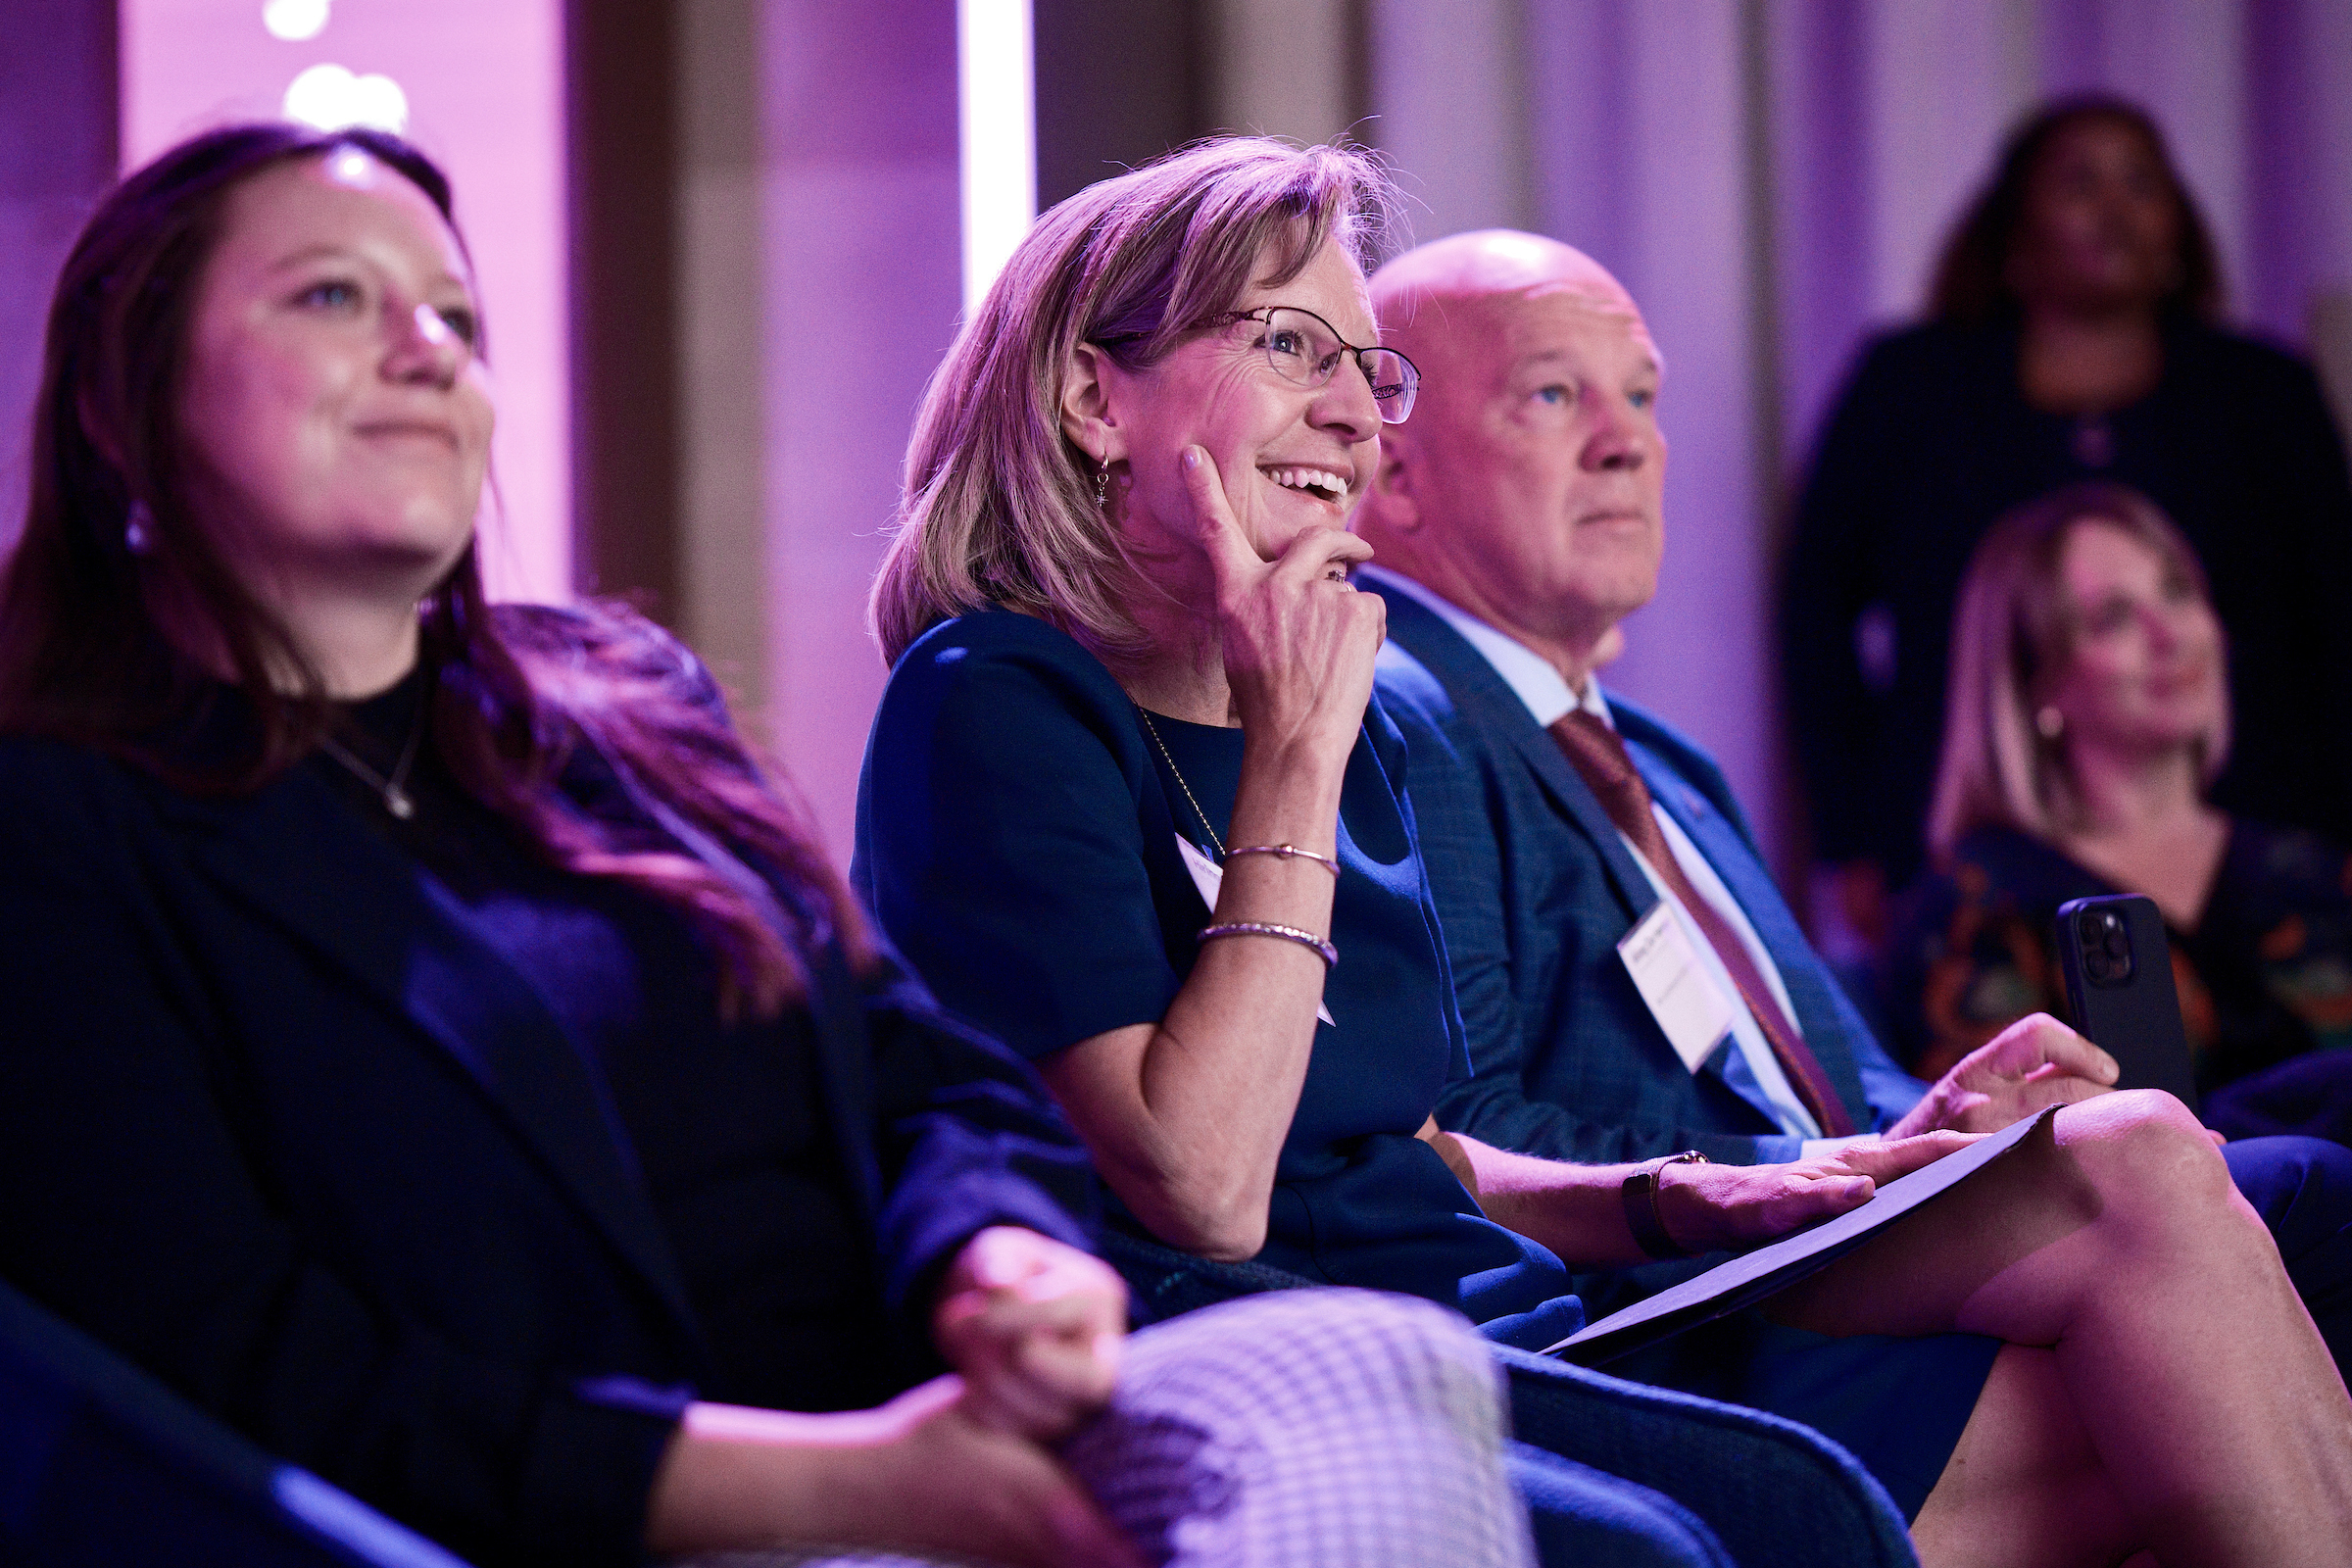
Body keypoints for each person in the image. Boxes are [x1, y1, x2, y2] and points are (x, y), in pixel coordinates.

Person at [0, 122, 1550, 1568]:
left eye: (458, 320)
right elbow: (240, 1368)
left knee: (1387, 1364)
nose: (425, 350)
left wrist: (995, 1261)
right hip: (618, 1509)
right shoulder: (63, 827)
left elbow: (918, 1080)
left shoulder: (612, 714)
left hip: (914, 1419)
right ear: (119, 399)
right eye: (335, 298)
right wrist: (849, 1482)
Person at [854, 136, 2352, 1566]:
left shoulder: (1320, 718)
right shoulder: (1002, 700)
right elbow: (1205, 1185)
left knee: (2164, 1256)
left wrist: (1693, 1193)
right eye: (1285, 345)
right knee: (2161, 1365)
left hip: (1527, 1316)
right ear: (1092, 400)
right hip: (1348, 1364)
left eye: (1361, 367)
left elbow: (1406, 1147)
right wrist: (1298, 754)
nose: (1352, 414)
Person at [1779, 94, 2352, 937]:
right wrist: (1850, 838)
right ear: (2013, 232)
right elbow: (1814, 616)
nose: (2116, 209)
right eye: (2081, 184)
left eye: (2142, 183)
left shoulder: (2263, 394)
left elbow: (2337, 622)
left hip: (2247, 833)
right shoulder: (1910, 386)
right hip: (1961, 837)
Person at [1880, 482, 2352, 1143]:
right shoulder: (1979, 903)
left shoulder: (2314, 872)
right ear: (2036, 683)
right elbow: (1987, 1164)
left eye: (2178, 592)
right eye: (2114, 618)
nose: (2171, 635)